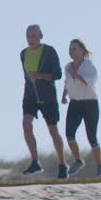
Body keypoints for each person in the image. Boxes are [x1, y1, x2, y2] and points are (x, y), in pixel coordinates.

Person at [20, 24, 67, 178]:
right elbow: (27, 76)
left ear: (40, 36)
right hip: (30, 96)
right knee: (26, 125)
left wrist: (39, 76)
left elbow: (58, 74)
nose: (30, 39)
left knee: (53, 131)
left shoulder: (49, 51)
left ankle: (62, 164)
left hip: (47, 96)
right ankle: (35, 162)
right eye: (28, 36)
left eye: (33, 35)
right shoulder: (23, 54)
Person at [61, 38, 101, 177]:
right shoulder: (67, 67)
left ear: (82, 51)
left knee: (92, 137)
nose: (71, 51)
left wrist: (75, 74)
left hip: (90, 103)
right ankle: (78, 160)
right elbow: (67, 82)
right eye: (70, 49)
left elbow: (88, 82)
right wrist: (64, 95)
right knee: (69, 134)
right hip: (75, 103)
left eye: (74, 49)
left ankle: (100, 166)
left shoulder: (88, 66)